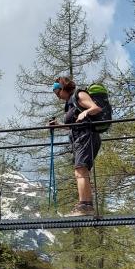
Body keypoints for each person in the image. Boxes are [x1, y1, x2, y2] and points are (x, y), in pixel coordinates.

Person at [51, 76, 102, 216]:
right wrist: (58, 125)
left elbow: (96, 108)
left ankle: (85, 205)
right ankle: (85, 204)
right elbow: (73, 127)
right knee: (80, 171)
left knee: (80, 170)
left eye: (57, 92)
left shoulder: (79, 94)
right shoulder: (69, 103)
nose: (57, 96)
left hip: (87, 136)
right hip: (79, 138)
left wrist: (86, 111)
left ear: (64, 88)